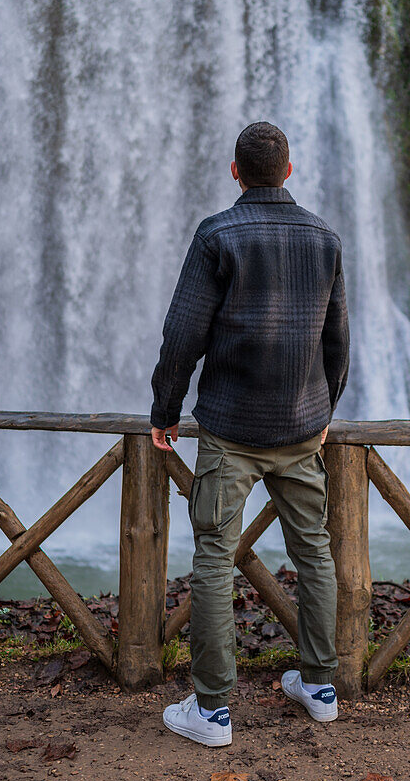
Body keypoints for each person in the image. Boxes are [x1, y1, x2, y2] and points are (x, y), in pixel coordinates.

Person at [150, 121, 350, 747]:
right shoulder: (324, 238)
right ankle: (320, 687)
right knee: (313, 552)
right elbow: (338, 342)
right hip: (300, 426)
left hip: (230, 428)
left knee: (214, 557)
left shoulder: (217, 233)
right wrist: (323, 413)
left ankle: (212, 712)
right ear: (288, 172)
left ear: (234, 171)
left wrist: (164, 410)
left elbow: (183, 332)